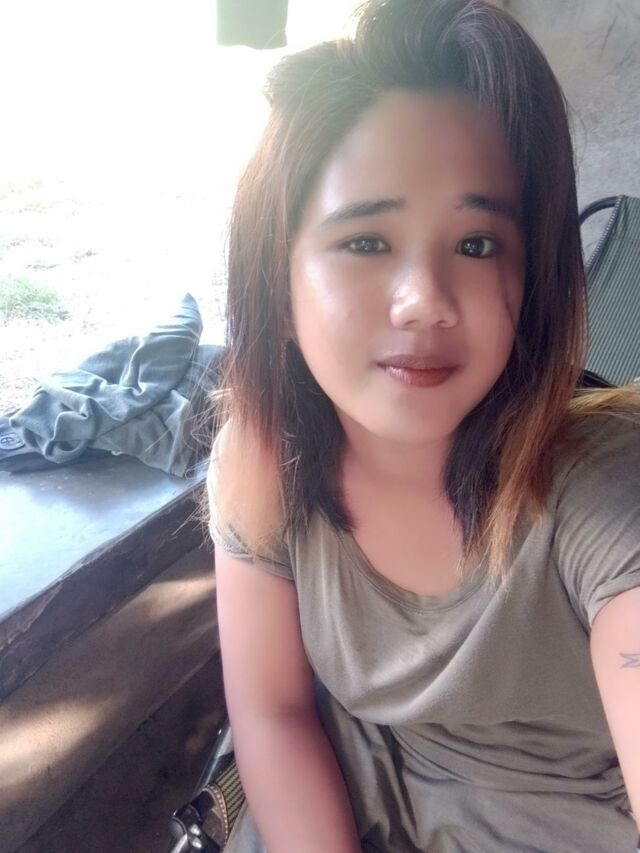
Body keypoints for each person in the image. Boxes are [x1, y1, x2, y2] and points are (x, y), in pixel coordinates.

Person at [206, 1, 640, 850]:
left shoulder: (602, 492)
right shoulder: (262, 464)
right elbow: (274, 711)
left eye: (476, 245)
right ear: (276, 286)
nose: (425, 300)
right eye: (367, 242)